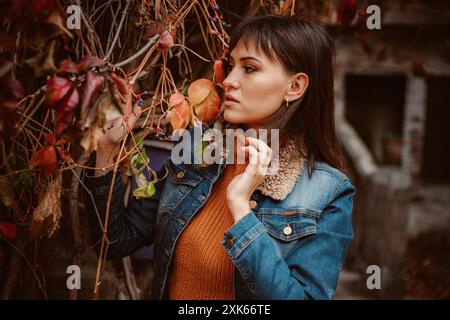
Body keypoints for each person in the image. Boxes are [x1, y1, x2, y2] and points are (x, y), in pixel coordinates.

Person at [83, 15, 355, 300]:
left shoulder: (326, 192)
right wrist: (106, 152)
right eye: (230, 66)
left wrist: (240, 208)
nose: (228, 81)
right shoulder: (196, 154)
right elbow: (113, 242)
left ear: (295, 87)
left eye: (249, 68)